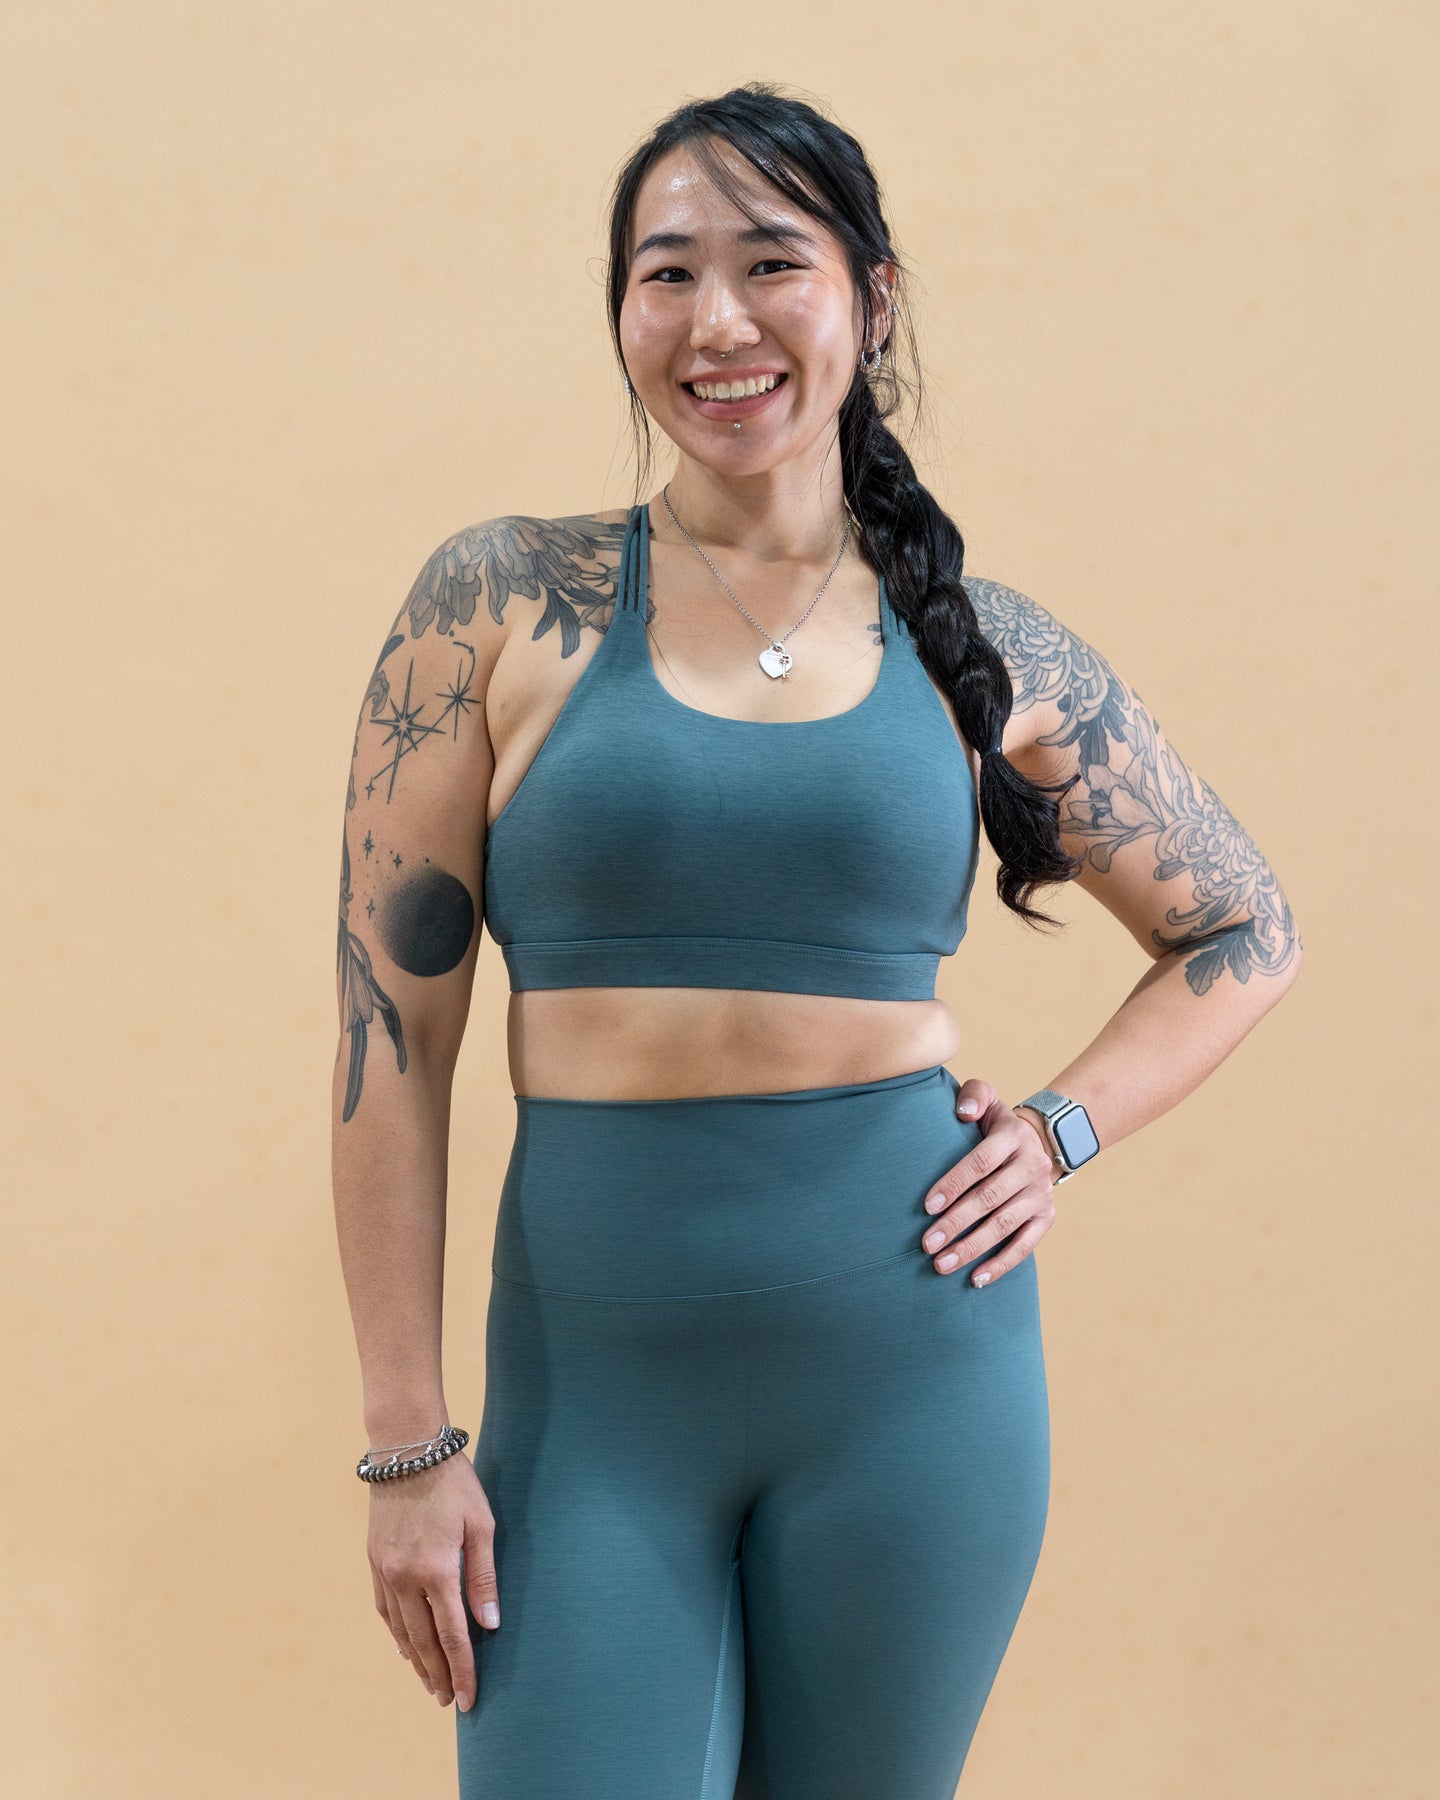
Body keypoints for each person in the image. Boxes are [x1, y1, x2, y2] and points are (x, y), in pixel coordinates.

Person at [331, 82, 1303, 1799]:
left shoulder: (979, 646)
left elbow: (1242, 924)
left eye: (772, 263)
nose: (718, 321)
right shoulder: (497, 603)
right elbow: (387, 1043)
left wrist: (1060, 1132)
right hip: (592, 1395)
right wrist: (406, 1443)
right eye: (666, 273)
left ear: (872, 299)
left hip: (917, 1380)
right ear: (622, 313)